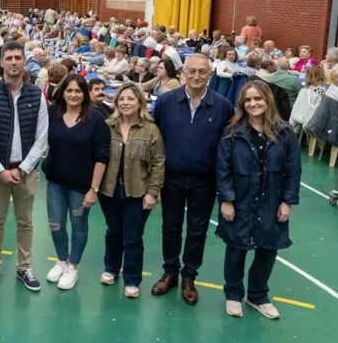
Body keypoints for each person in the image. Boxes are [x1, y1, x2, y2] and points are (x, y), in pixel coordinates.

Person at [151, 54, 234, 305]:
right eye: (192, 71)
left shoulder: (223, 106)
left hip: (204, 181)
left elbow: (226, 150)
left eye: (202, 72)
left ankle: (189, 276)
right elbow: (157, 143)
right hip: (172, 178)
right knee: (170, 226)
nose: (197, 76)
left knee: (197, 230)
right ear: (183, 73)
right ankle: (170, 272)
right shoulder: (165, 103)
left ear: (210, 75)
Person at [217, 80, 300, 319]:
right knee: (236, 247)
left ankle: (257, 295)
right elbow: (223, 168)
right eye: (248, 100)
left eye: (258, 99)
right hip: (240, 198)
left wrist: (288, 200)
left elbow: (293, 170)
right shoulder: (233, 131)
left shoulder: (285, 132)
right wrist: (227, 199)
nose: (253, 104)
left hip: (272, 199)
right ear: (242, 103)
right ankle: (233, 294)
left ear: (267, 100)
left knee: (268, 247)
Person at [0, 41, 48, 291]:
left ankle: (24, 267)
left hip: (26, 171)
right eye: (9, 58)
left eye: (18, 57)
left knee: (25, 220)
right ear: (1, 62)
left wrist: (24, 168)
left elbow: (41, 138)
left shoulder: (36, 95)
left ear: (24, 61)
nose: (14, 62)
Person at [42, 74, 110, 290]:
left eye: (78, 91)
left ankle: (73, 265)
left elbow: (101, 157)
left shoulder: (95, 119)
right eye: (69, 90)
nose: (73, 95)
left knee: (79, 224)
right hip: (55, 182)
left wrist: (94, 189)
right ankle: (62, 260)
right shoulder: (52, 113)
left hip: (82, 186)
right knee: (56, 224)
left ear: (85, 94)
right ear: (62, 92)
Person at [99, 84, 165, 298]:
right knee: (113, 231)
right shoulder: (107, 126)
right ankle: (111, 268)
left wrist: (152, 192)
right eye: (122, 99)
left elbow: (158, 162)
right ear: (116, 102)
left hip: (138, 192)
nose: (126, 103)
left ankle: (132, 279)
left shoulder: (151, 129)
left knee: (133, 237)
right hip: (109, 191)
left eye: (131, 99)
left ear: (140, 103)